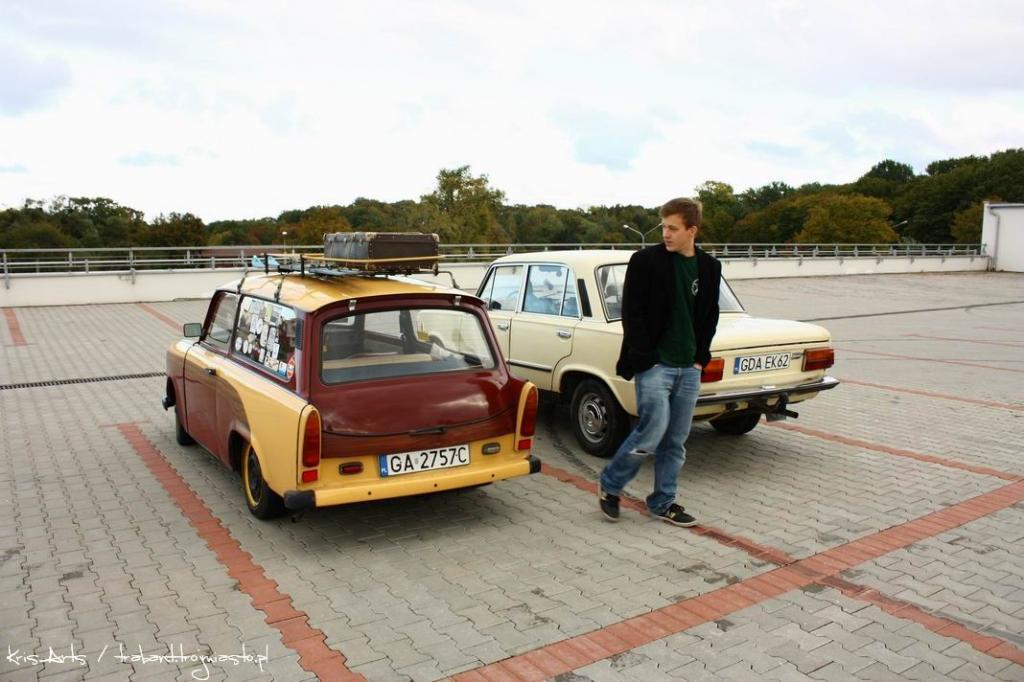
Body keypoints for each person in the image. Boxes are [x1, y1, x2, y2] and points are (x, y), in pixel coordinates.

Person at [599, 197, 721, 527]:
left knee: (675, 441)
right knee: (650, 432)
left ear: (692, 230)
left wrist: (700, 359)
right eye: (664, 227)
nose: (665, 234)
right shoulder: (645, 261)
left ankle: (663, 502)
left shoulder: (710, 267)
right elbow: (632, 313)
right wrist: (647, 360)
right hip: (656, 366)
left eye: (673, 228)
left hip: (689, 368)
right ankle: (611, 485)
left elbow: (709, 316)